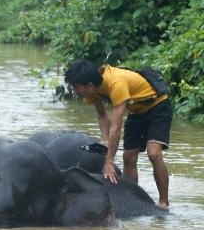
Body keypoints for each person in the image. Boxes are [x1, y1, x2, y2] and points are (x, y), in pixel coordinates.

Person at [63, 61, 171, 208]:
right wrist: (105, 140)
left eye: (76, 87)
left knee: (153, 153)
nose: (75, 91)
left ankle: (164, 203)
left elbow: (116, 127)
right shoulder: (93, 91)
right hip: (137, 111)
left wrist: (109, 162)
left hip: (158, 106)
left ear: (89, 85)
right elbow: (102, 115)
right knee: (128, 157)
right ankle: (131, 200)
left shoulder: (116, 83)